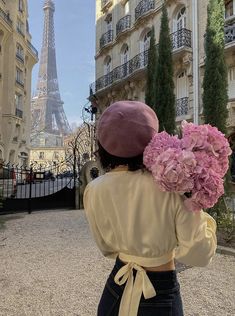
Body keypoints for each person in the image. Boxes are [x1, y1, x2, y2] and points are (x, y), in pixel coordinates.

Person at [83, 100, 217, 316]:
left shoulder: (94, 189)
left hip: (115, 288)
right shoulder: (172, 186)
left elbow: (106, 248)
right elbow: (198, 254)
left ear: (103, 145)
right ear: (154, 141)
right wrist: (204, 216)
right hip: (159, 291)